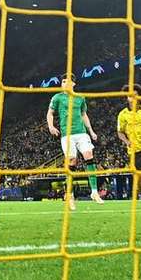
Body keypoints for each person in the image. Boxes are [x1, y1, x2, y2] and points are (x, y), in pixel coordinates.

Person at [46, 73, 102, 210]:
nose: (64, 83)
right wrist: (51, 126)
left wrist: (91, 131)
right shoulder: (57, 97)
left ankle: (94, 192)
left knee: (89, 156)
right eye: (63, 81)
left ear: (74, 84)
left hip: (81, 133)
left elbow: (84, 115)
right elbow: (50, 113)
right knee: (72, 161)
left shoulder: (80, 98)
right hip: (67, 135)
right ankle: (69, 195)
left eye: (67, 81)